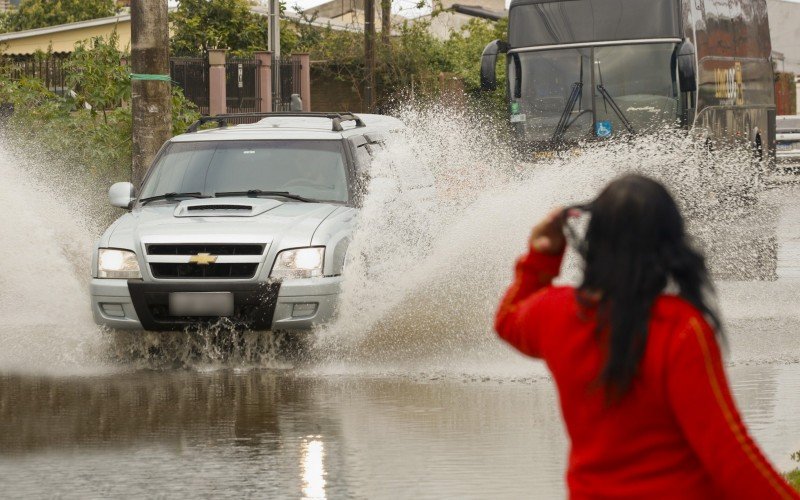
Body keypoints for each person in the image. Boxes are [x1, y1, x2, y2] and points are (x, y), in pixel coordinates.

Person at [495, 174, 799, 499]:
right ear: (669, 243)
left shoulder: (555, 313)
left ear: (594, 238)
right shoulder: (679, 326)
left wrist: (542, 254)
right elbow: (727, 452)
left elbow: (508, 320)